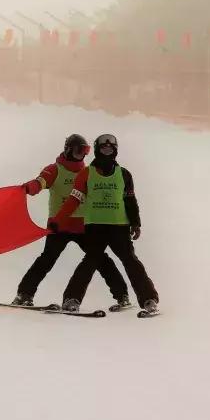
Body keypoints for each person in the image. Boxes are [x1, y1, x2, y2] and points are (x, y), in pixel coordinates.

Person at [11, 134, 130, 308]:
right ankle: (24, 294)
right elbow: (41, 182)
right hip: (59, 224)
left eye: (85, 151)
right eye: (78, 151)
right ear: (68, 150)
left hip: (83, 225)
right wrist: (31, 187)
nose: (81, 155)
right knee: (47, 260)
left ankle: (122, 295)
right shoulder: (55, 169)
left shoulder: (88, 171)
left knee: (100, 259)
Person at [53, 134, 159, 314]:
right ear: (97, 150)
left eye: (111, 149)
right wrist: (59, 220)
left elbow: (130, 201)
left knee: (131, 262)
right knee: (90, 262)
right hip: (95, 227)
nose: (107, 152)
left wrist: (136, 223)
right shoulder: (86, 174)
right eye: (104, 149)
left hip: (119, 227)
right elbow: (74, 200)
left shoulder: (124, 174)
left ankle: (148, 299)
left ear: (115, 151)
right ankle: (71, 299)